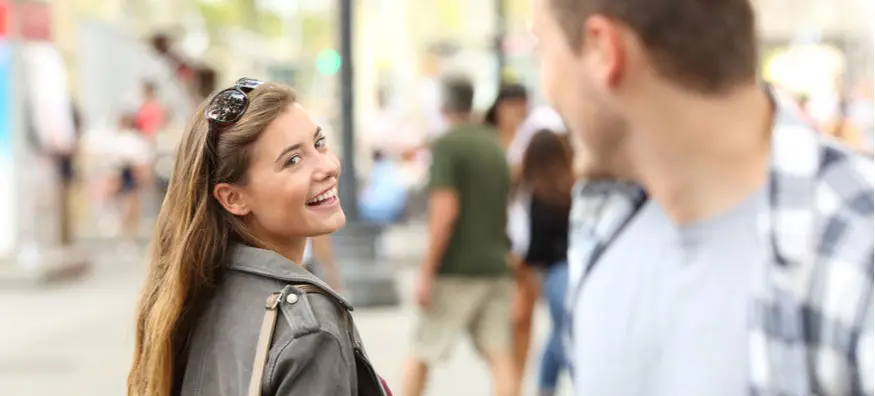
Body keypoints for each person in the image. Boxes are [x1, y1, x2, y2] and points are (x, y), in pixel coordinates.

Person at [530, 0, 873, 395]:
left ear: (603, 49)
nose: (546, 88)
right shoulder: (604, 223)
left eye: (542, 49)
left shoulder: (858, 251)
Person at [127, 78, 390, 396]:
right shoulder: (308, 329)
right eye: (293, 160)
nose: (327, 167)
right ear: (233, 198)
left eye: (319, 143)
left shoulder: (195, 292)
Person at [402, 76, 517, 396]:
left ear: (443, 105)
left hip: (457, 269)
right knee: (500, 355)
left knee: (421, 352)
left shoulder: (449, 145)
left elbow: (444, 212)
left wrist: (426, 273)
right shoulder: (495, 143)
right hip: (495, 265)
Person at [485, 83, 540, 383]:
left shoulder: (531, 138)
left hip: (526, 235)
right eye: (513, 106)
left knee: (524, 318)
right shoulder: (490, 141)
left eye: (523, 106)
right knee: (509, 318)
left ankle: (515, 381)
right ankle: (509, 381)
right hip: (498, 237)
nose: (518, 113)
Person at [520, 130, 574, 396]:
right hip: (579, 269)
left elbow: (537, 248)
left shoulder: (539, 194)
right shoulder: (573, 187)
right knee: (559, 335)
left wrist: (522, 264)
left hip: (556, 273)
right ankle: (546, 388)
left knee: (563, 339)